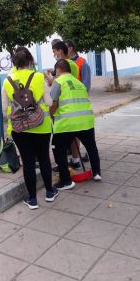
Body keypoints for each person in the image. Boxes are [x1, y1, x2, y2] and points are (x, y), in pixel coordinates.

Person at [2, 46, 58, 209]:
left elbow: (5, 106)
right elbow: (48, 102)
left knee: (27, 162)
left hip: (19, 128)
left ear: (15, 62)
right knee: (44, 158)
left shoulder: (7, 81)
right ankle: (49, 192)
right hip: (41, 125)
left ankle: (32, 199)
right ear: (30, 61)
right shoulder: (39, 77)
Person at [50, 59, 101, 190]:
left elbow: (53, 103)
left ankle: (66, 181)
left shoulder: (58, 82)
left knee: (58, 150)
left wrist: (50, 115)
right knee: (91, 147)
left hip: (67, 123)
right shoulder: (79, 83)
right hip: (86, 121)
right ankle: (96, 173)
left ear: (58, 70)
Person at [65, 39, 92, 168]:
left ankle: (86, 153)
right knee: (73, 133)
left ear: (70, 48)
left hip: (79, 103)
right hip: (68, 104)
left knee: (82, 132)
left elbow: (86, 86)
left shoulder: (82, 63)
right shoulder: (64, 64)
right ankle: (75, 157)